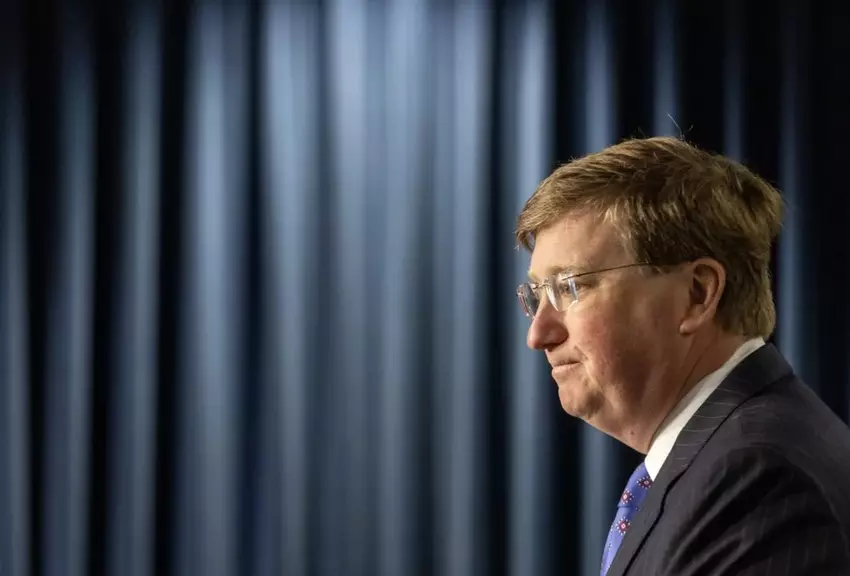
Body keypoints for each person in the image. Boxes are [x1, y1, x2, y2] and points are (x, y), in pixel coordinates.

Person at [514, 136, 850, 575]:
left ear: (697, 294)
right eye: (537, 294)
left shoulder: (759, 481)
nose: (538, 334)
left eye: (571, 287)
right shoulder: (720, 459)